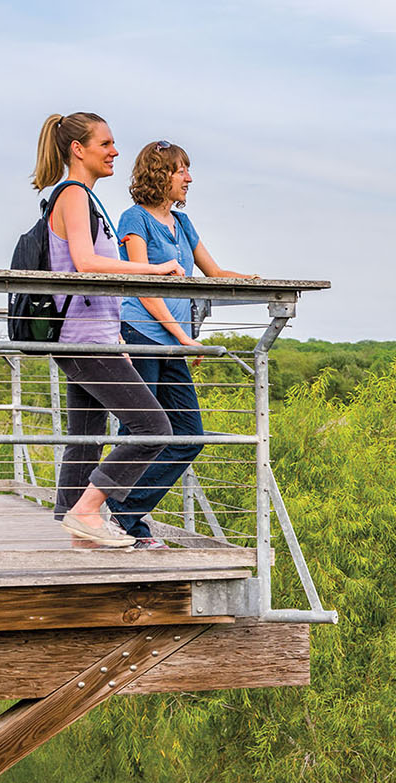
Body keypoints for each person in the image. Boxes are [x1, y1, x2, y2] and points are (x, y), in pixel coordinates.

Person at [30, 111, 184, 548]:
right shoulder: (73, 195)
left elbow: (91, 279)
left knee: (86, 436)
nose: (115, 151)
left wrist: (117, 336)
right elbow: (84, 262)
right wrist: (150, 270)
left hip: (94, 336)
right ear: (78, 150)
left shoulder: (83, 197)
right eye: (106, 144)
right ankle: (87, 511)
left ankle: (81, 530)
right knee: (154, 427)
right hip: (82, 340)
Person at [110, 140, 252, 547]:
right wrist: (182, 336)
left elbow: (215, 272)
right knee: (138, 432)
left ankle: (124, 509)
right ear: (159, 174)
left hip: (173, 340)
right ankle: (126, 522)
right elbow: (143, 285)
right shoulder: (133, 219)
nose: (188, 178)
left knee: (188, 434)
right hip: (142, 335)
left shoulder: (183, 224)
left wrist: (256, 282)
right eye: (180, 171)